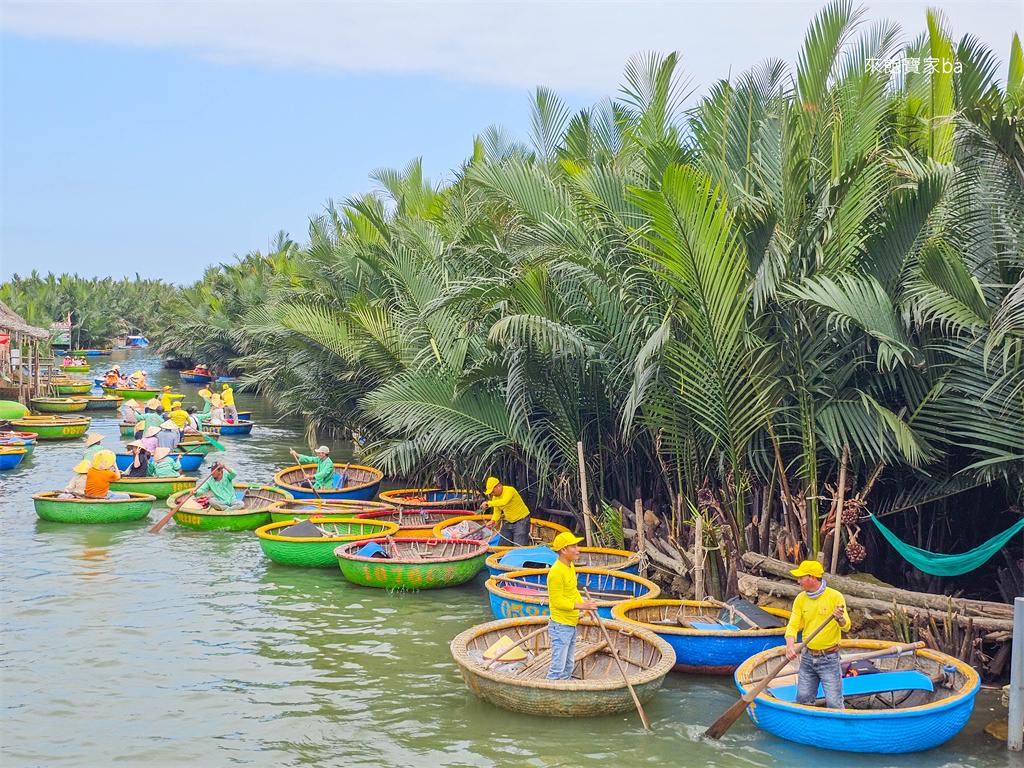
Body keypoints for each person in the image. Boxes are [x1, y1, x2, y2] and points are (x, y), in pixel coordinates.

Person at [784, 560, 852, 710]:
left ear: (812, 578)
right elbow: (793, 625)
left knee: (834, 703)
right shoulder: (800, 599)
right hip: (807, 657)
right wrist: (790, 647)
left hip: (829, 658)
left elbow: (846, 626)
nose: (798, 581)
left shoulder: (835, 597)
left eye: (801, 577)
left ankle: (836, 730)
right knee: (803, 700)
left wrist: (839, 618)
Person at [545, 531, 598, 680]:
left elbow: (573, 590)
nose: (578, 549)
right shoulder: (556, 572)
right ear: (563, 550)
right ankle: (549, 695)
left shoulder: (570, 566)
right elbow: (557, 602)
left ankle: (563, 692)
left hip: (571, 623)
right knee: (558, 667)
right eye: (573, 546)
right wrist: (582, 606)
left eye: (577, 545)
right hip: (560, 626)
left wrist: (586, 608)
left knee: (568, 665)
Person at [479, 477, 532, 547]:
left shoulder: (509, 490)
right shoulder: (495, 498)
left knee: (519, 545)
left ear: (499, 486)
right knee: (503, 543)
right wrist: (492, 521)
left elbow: (504, 502)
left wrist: (488, 504)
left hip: (522, 520)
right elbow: (497, 513)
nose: (492, 494)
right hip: (510, 522)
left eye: (492, 491)